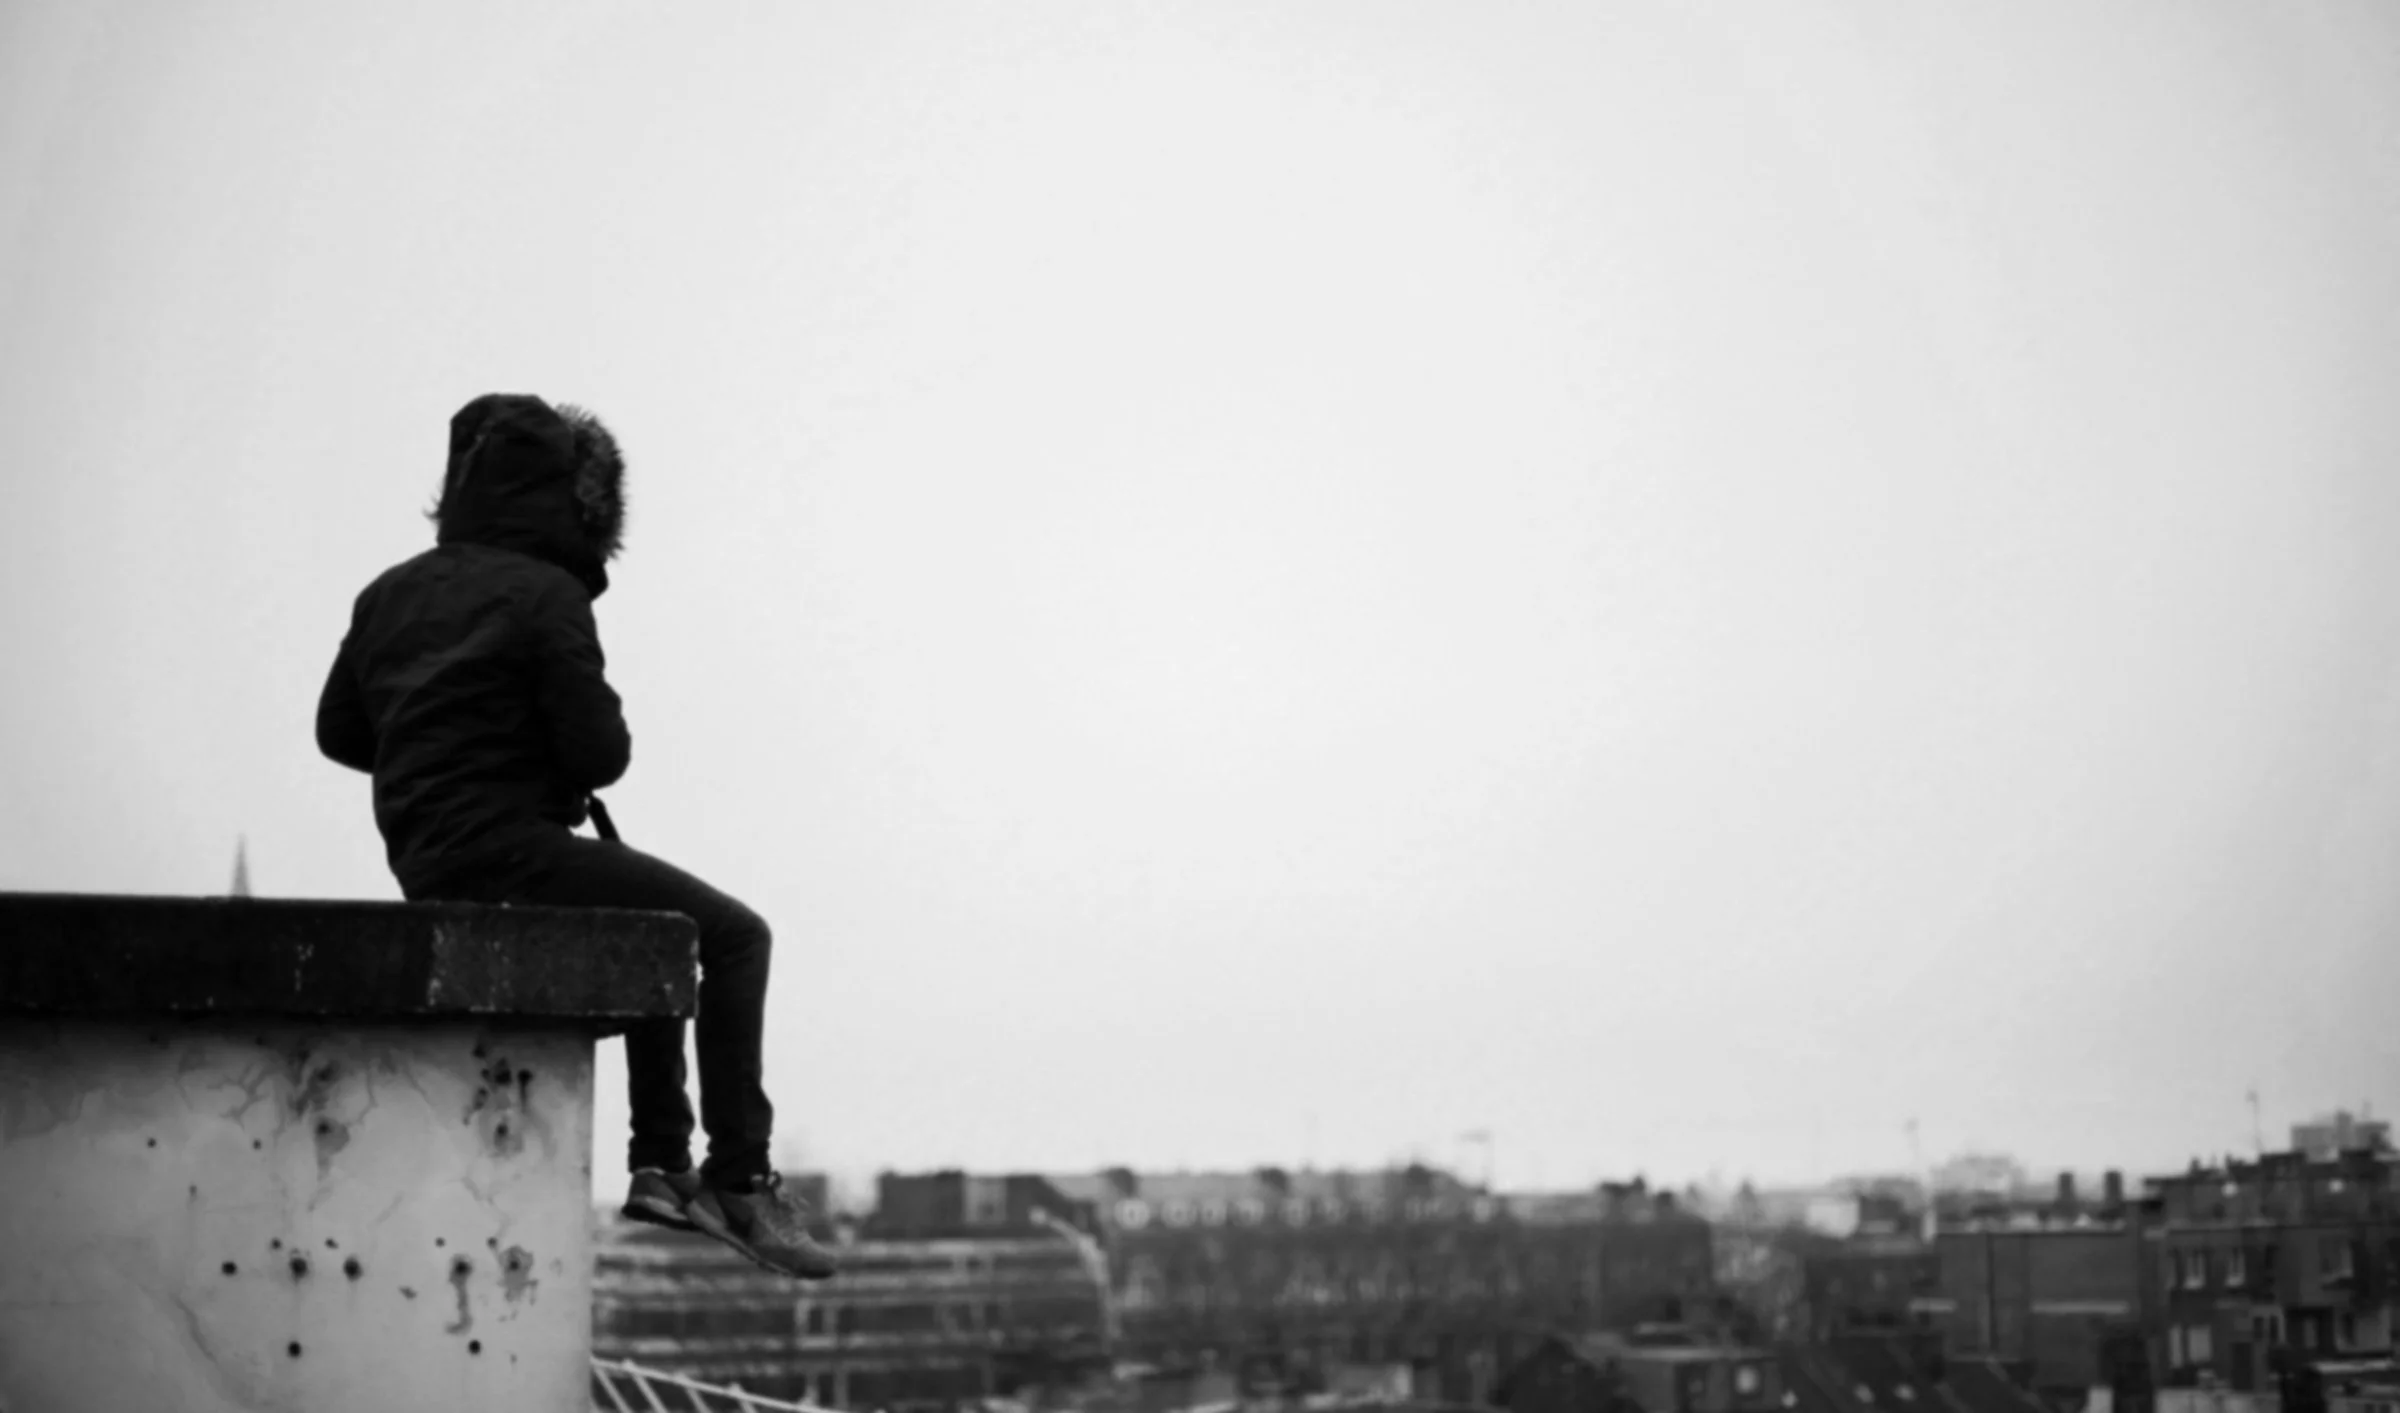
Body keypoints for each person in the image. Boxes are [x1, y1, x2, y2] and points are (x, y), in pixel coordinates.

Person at [314, 392, 838, 1281]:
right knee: (738, 935)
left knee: (644, 918)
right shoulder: (545, 592)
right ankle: (740, 1178)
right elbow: (602, 751)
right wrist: (526, 755)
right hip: (509, 845)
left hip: (425, 857)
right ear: (571, 498)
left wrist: (437, 751)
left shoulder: (390, 592)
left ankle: (664, 1167)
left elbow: (340, 733)